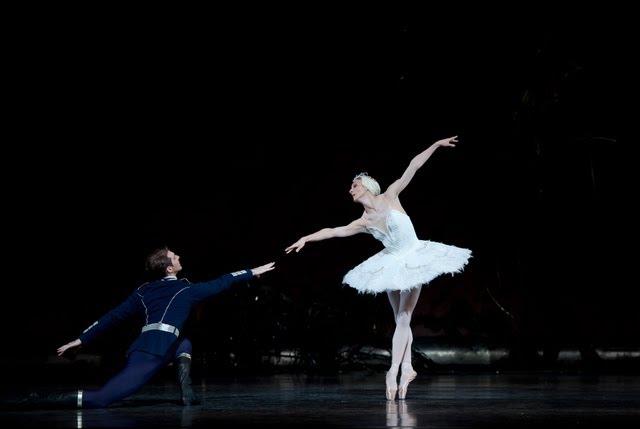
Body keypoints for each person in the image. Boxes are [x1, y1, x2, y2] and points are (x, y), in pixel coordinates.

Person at [286, 136, 471, 400]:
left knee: (405, 317)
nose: (351, 189)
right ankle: (407, 367)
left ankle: (393, 369)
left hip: (414, 257)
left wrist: (434, 145)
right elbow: (333, 231)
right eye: (351, 186)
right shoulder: (362, 222)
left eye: (354, 185)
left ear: (367, 187)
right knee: (400, 319)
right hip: (391, 263)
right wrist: (306, 238)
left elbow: (413, 166)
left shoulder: (391, 195)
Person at [24, 247, 275, 408]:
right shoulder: (185, 289)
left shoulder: (144, 291)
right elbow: (222, 282)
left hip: (155, 346)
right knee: (102, 399)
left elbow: (112, 316)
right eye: (175, 257)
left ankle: (186, 391)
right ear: (169, 268)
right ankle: (41, 400)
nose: (179, 257)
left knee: (184, 341)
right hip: (150, 354)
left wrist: (82, 338)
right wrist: (251, 272)